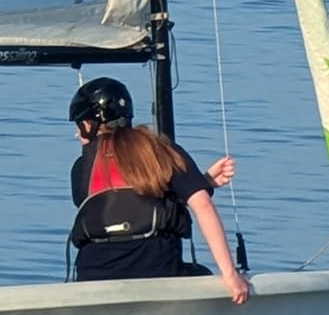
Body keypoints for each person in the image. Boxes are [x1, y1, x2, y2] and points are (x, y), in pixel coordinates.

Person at [68, 77, 249, 303]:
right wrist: (230, 275)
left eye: (78, 125)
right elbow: (201, 205)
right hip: (158, 271)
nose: (76, 134)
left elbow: (122, 206)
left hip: (94, 278)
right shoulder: (162, 150)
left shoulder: (80, 169)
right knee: (200, 273)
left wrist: (203, 181)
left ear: (89, 126)